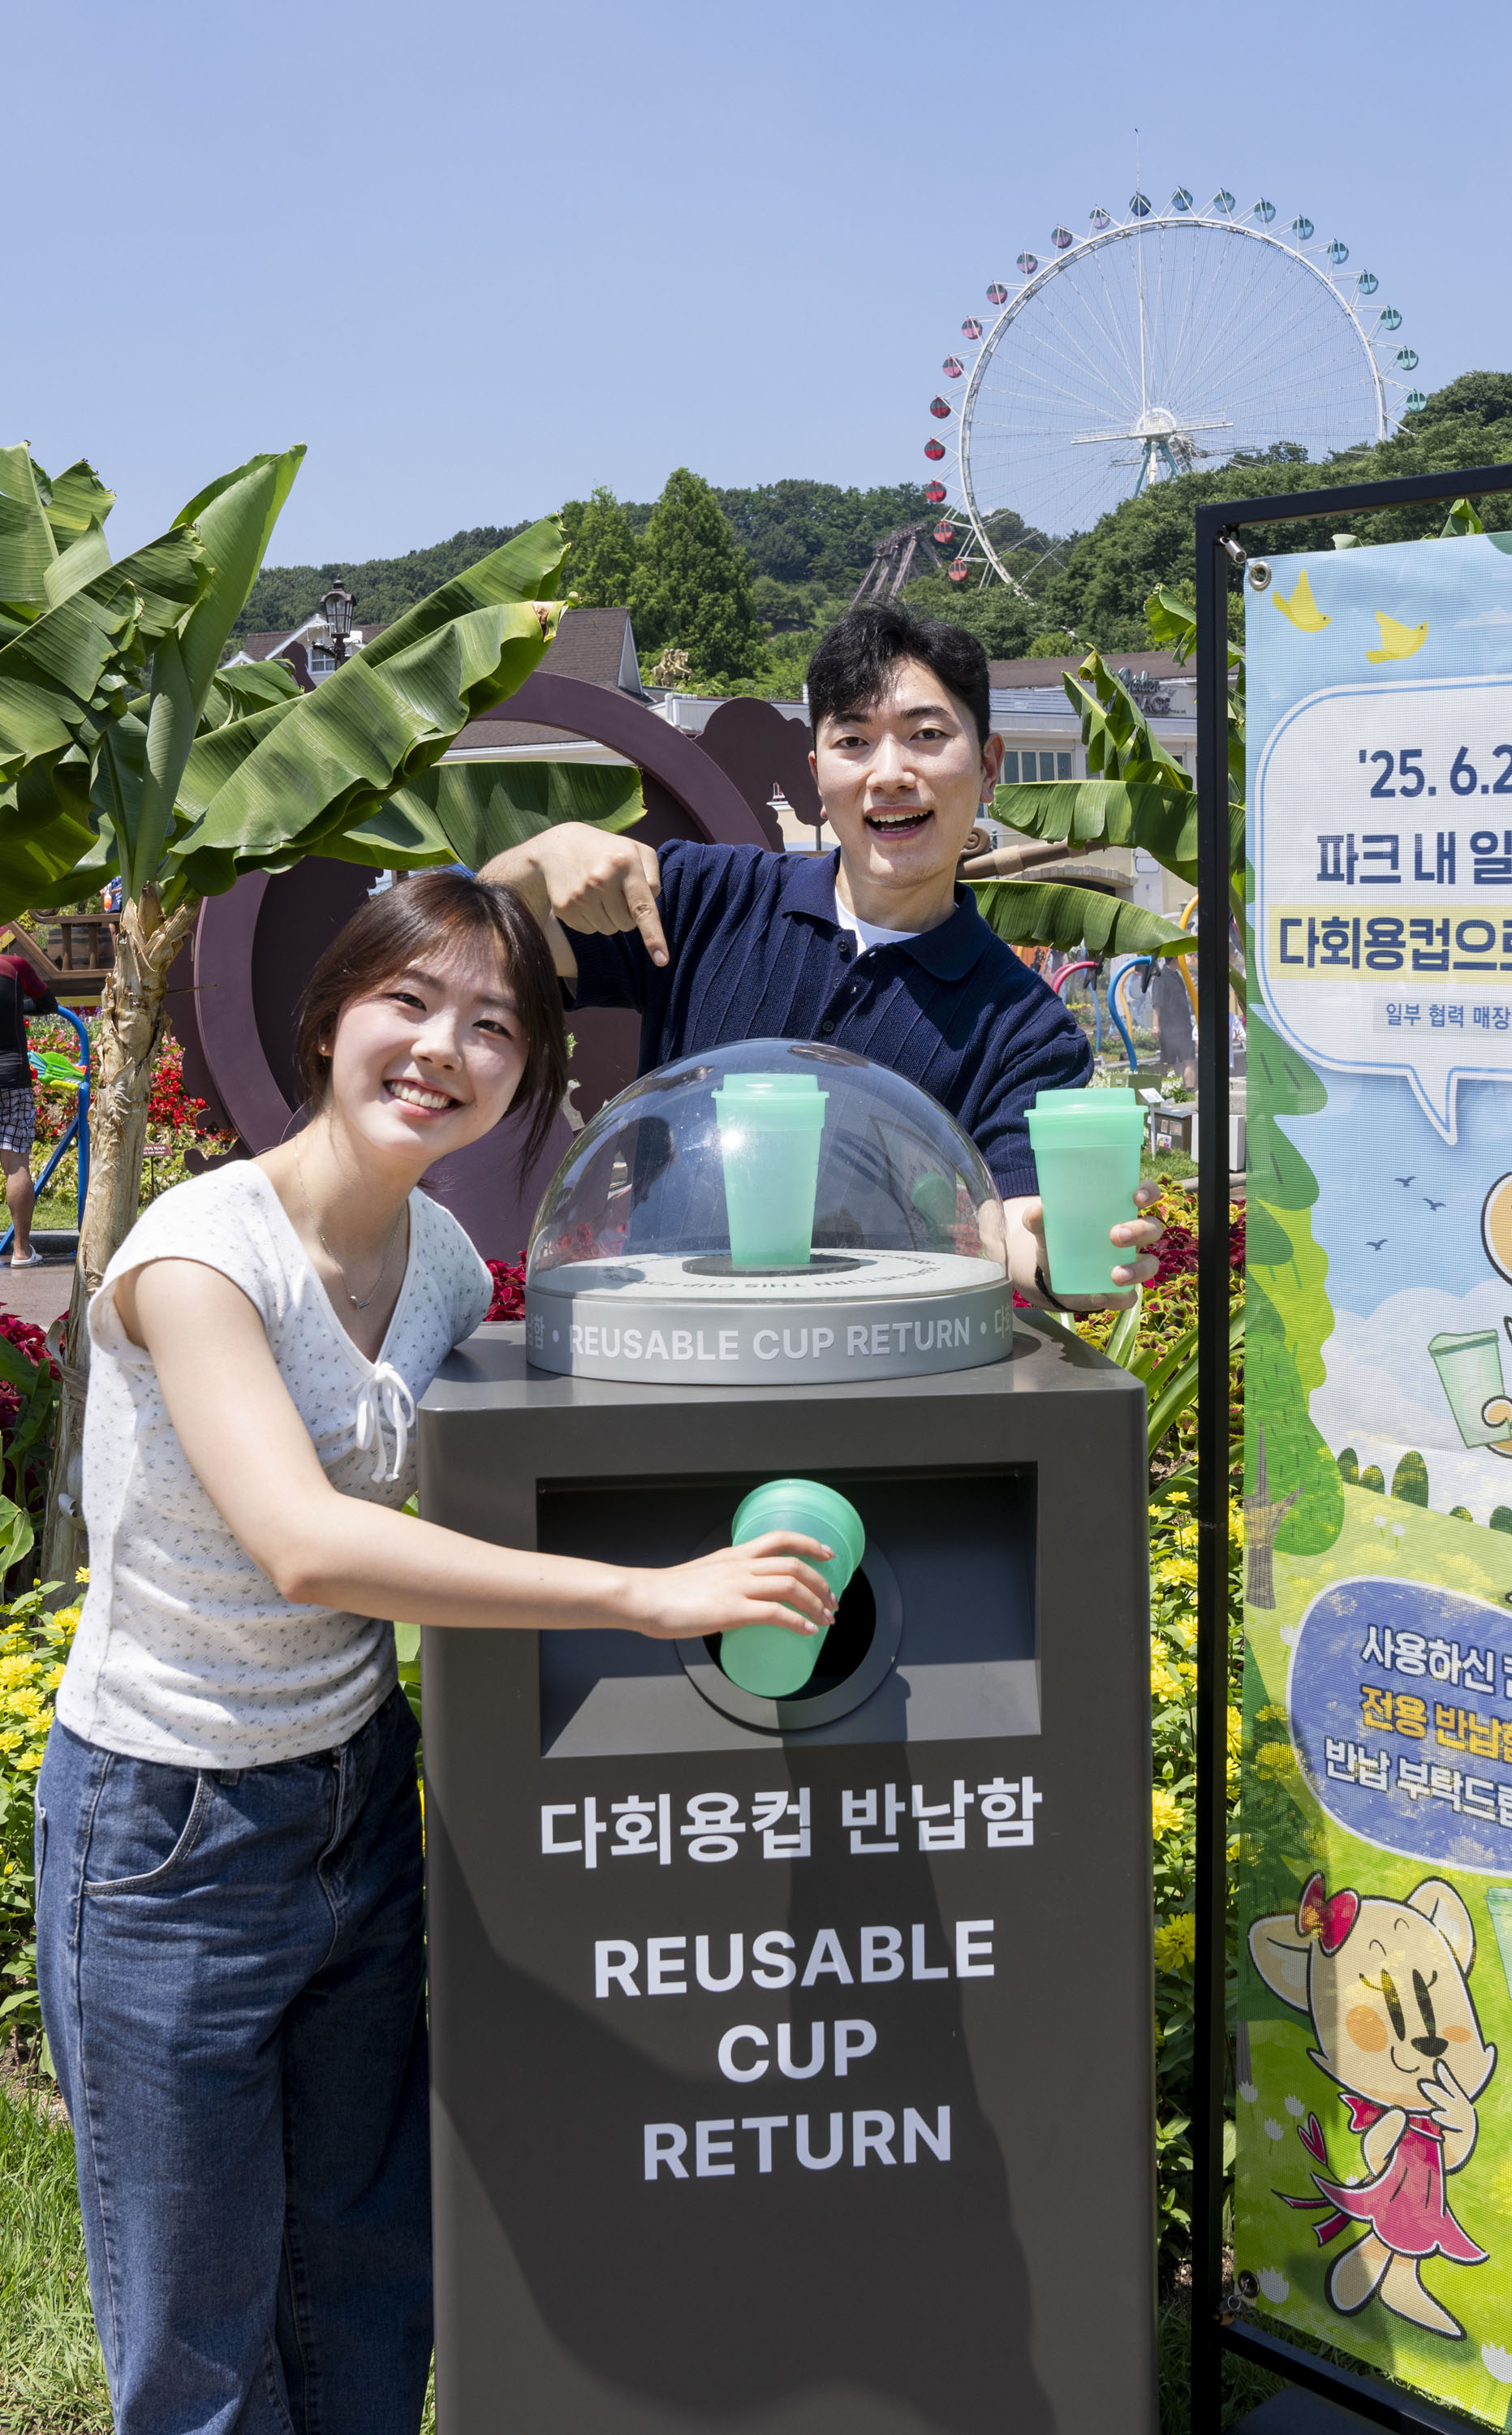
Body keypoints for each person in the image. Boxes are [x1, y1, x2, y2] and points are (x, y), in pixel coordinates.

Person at [35, 873, 838, 2435]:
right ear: (330, 1016)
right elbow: (307, 1542)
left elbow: (535, 1433)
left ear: (522, 1076)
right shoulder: (200, 1255)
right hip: (170, 1826)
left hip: (353, 1798)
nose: (441, 1050)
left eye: (491, 1027)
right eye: (408, 1001)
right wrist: (641, 1596)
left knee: (361, 2269)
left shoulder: (449, 1269)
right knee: (197, 2320)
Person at [480, 606, 1161, 1310]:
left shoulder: (1026, 1029)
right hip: (669, 1345)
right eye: (853, 741)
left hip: (880, 1359)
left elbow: (1020, 1224)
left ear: (988, 767)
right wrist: (536, 861)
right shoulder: (700, 898)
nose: (889, 774)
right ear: (816, 774)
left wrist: (1063, 1262)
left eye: (927, 736)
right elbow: (478, 957)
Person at [0, 942, 59, 1266]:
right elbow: (48, 1004)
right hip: (12, 1077)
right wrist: (16, 1006)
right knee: (15, 1163)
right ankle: (21, 1251)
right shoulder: (14, 966)